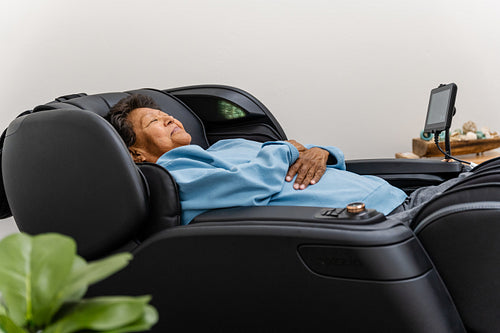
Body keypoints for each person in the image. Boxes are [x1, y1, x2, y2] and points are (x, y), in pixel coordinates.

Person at [106, 94, 468, 225]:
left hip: (397, 200)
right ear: (136, 152)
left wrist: (320, 152)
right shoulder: (174, 173)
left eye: (166, 115)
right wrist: (288, 149)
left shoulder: (221, 150)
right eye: (154, 121)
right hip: (388, 223)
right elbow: (249, 184)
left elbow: (308, 160)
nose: (170, 118)